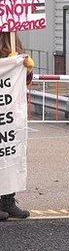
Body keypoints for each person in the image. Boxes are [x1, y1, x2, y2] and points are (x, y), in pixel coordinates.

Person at [0, 34, 34, 220]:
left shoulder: (12, 40)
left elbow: (21, 83)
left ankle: (7, 199)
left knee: (9, 154)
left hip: (8, 114)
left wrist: (26, 69)